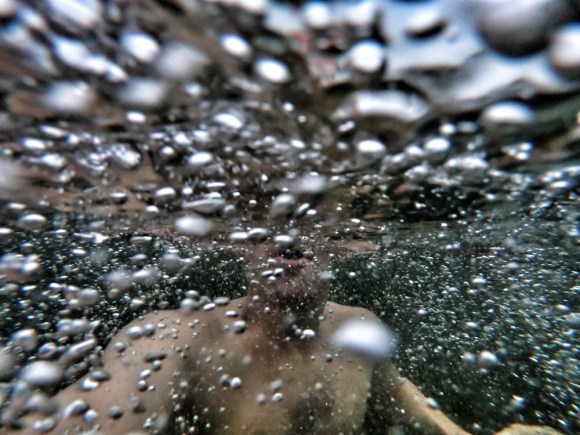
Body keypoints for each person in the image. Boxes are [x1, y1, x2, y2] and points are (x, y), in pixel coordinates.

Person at [0, 245, 560, 435]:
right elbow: (101, 413)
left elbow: (403, 404)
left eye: (311, 212)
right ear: (236, 244)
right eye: (263, 209)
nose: (289, 228)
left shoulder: (358, 327)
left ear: (341, 244)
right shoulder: (174, 337)